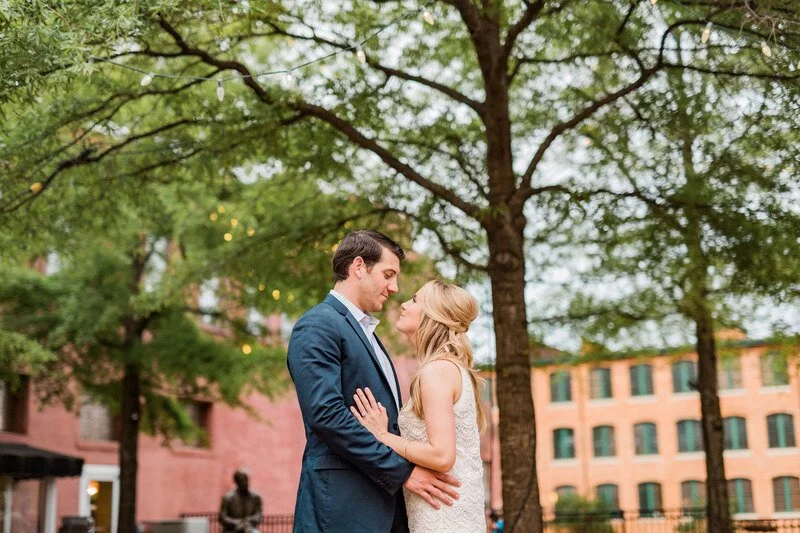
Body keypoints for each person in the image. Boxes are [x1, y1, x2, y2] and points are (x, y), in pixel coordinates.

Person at [287, 230, 460, 533]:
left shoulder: (371, 336)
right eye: (388, 274)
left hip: (387, 509)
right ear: (358, 267)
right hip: (343, 507)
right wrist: (402, 473)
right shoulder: (317, 326)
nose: (394, 288)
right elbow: (326, 415)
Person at [351, 279, 486, 533]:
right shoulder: (447, 367)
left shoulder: (437, 370)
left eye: (414, 300)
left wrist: (383, 436)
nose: (403, 304)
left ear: (433, 315)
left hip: (444, 518)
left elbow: (442, 456)